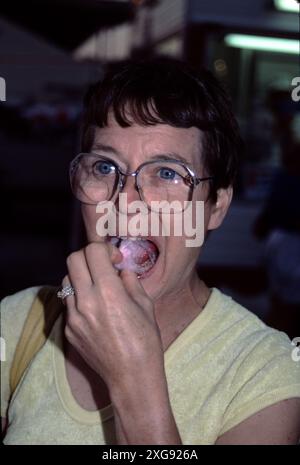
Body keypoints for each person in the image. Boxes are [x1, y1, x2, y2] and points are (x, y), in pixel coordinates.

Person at [1, 57, 300, 445]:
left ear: (217, 206)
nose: (126, 201)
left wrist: (132, 378)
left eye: (167, 173)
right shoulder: (20, 323)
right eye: (105, 168)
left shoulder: (263, 376)